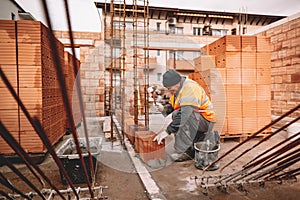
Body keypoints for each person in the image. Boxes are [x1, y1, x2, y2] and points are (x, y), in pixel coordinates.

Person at [153, 69, 216, 162]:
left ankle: (186, 152)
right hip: (197, 118)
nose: (169, 90)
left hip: (206, 119)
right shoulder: (178, 89)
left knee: (182, 116)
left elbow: (184, 114)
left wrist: (167, 131)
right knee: (176, 115)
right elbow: (175, 107)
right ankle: (191, 144)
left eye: (170, 88)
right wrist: (164, 108)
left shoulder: (190, 88)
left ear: (176, 83)